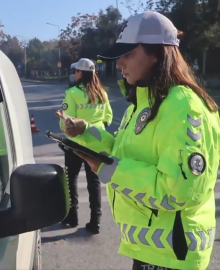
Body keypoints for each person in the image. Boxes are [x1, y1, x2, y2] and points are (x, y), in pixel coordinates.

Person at [61, 11, 219, 270]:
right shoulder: (145, 101)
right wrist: (86, 131)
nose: (119, 63)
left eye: (129, 54)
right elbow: (123, 151)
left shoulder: (183, 106)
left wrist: (110, 169)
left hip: (172, 257)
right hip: (153, 251)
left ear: (157, 53)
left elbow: (178, 190)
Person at [58, 58, 113, 233]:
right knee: (94, 182)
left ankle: (72, 216)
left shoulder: (72, 92)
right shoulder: (102, 93)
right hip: (96, 144)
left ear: (81, 73)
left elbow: (67, 122)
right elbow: (109, 118)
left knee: (71, 179)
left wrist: (64, 126)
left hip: (76, 144)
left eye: (76, 71)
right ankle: (95, 221)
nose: (74, 74)